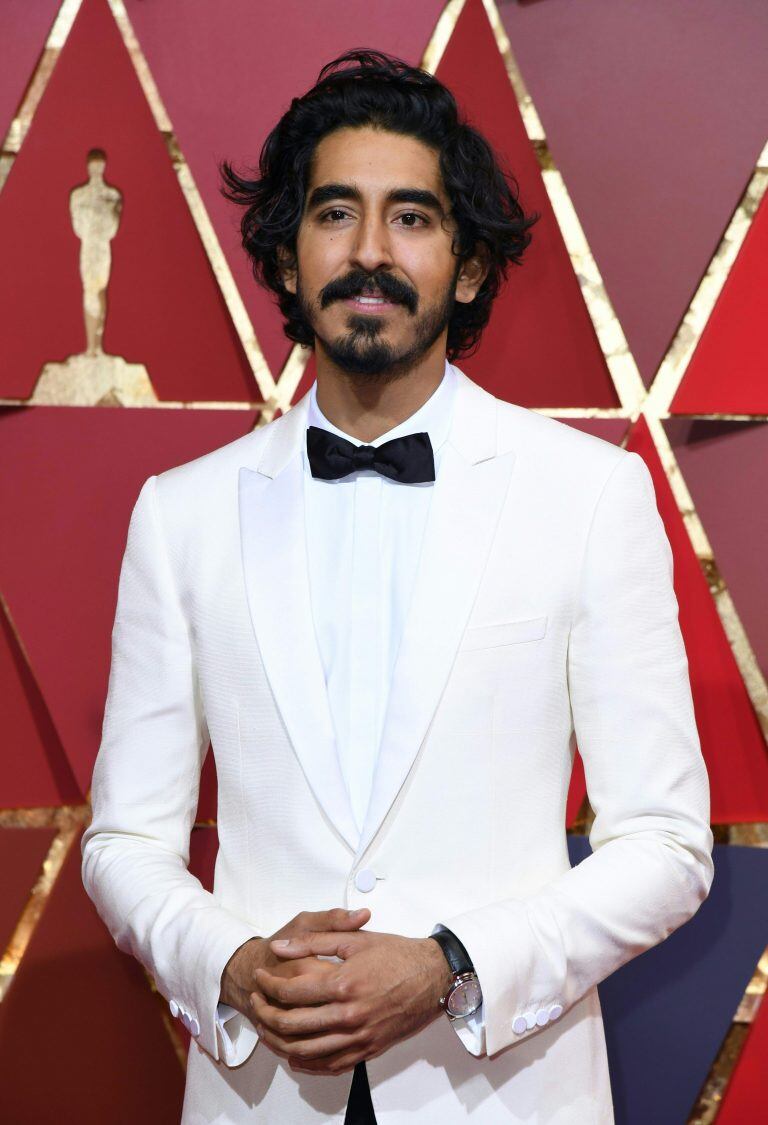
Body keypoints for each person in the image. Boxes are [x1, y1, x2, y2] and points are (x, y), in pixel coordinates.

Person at [81, 48, 714, 1125]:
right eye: (336, 213)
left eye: (412, 218)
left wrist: (450, 965)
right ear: (286, 257)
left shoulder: (592, 495)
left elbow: (665, 842)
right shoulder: (179, 513)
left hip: (506, 1092)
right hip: (261, 1095)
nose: (370, 252)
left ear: (468, 267)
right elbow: (125, 842)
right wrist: (233, 965)